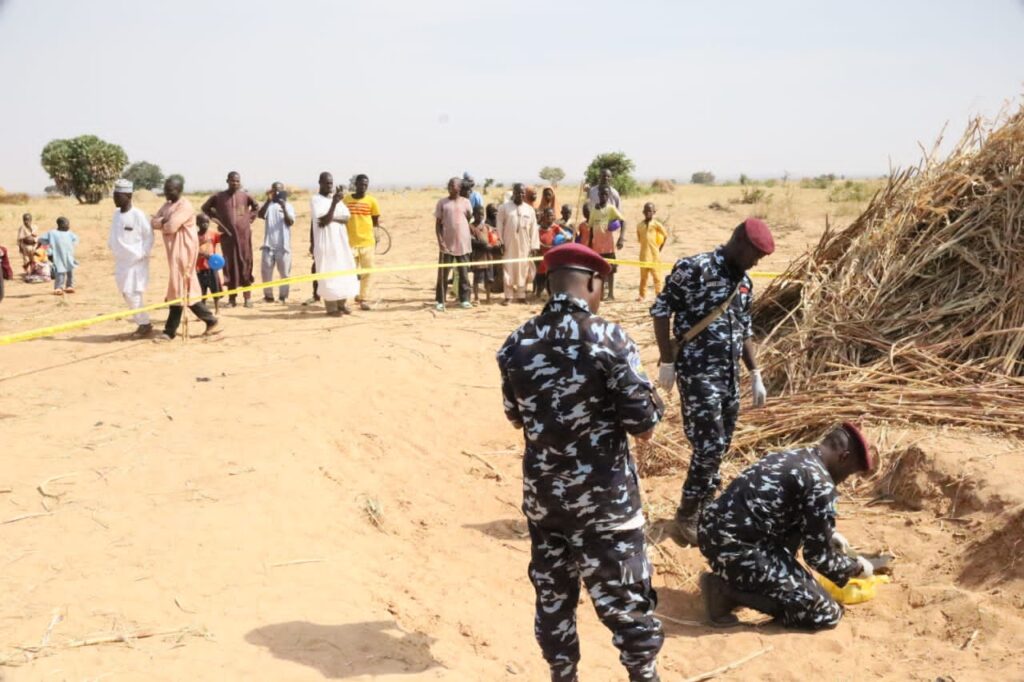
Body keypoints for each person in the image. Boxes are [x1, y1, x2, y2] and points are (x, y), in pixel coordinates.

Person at [497, 243, 665, 682]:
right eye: (600, 289)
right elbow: (642, 424)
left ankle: (562, 674)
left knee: (554, 600)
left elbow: (516, 419)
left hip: (545, 504)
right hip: (605, 507)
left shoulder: (515, 344)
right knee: (628, 604)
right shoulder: (610, 339)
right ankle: (643, 675)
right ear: (593, 283)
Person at [650, 218, 774, 545]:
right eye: (755, 255)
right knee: (709, 446)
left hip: (729, 376)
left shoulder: (744, 283)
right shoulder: (694, 268)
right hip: (697, 372)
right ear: (739, 242)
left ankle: (707, 502)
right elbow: (661, 310)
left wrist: (755, 372)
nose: (756, 262)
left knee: (723, 443)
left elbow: (744, 328)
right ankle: (687, 512)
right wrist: (667, 360)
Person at [698, 423, 884, 629]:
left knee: (793, 554)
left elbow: (787, 514)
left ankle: (749, 582)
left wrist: (828, 536)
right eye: (848, 473)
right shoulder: (821, 483)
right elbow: (818, 557)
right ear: (844, 457)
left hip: (713, 533)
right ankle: (725, 592)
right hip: (737, 547)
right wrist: (856, 567)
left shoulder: (795, 456)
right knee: (825, 613)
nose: (844, 479)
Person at [151, 176, 220, 341]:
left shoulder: (185, 206)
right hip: (173, 252)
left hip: (184, 252)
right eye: (166, 189)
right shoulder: (167, 205)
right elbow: (153, 221)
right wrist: (161, 221)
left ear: (179, 190)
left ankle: (170, 332)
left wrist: (162, 222)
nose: (167, 192)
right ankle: (210, 320)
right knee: (182, 290)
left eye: (171, 190)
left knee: (181, 288)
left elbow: (171, 226)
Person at [201, 171, 259, 308]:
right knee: (230, 266)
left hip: (244, 237)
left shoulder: (245, 196)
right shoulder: (218, 196)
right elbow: (205, 208)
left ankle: (247, 298)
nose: (235, 183)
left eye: (237, 181)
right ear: (227, 181)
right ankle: (232, 299)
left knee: (245, 264)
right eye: (233, 181)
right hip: (228, 238)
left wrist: (248, 218)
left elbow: (256, 207)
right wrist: (216, 218)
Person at [108, 179, 155, 337]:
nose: (115, 198)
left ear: (128, 195)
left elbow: (149, 236)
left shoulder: (138, 215)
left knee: (133, 293)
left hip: (136, 262)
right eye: (114, 195)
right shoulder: (116, 215)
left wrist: (143, 253)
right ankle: (143, 322)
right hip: (121, 262)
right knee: (126, 293)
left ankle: (144, 324)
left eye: (118, 195)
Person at [310, 172, 359, 317]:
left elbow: (346, 218)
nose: (330, 186)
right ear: (320, 183)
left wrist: (333, 213)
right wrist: (334, 204)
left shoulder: (336, 199)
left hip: (341, 242)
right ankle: (331, 308)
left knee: (343, 271)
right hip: (326, 243)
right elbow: (323, 221)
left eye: (331, 183)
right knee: (328, 274)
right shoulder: (316, 199)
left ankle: (342, 304)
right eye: (327, 183)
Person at [434, 177, 473, 311]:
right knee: (443, 274)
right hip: (447, 245)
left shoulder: (466, 202)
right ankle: (440, 300)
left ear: (459, 187)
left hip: (463, 244)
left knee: (463, 273)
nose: (450, 187)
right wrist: (441, 242)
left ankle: (465, 300)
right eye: (449, 184)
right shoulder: (442, 203)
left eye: (453, 185)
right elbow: (438, 226)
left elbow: (468, 218)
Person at [343, 174, 382, 310]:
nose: (363, 187)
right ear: (356, 184)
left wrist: (376, 238)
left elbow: (375, 222)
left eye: (366, 184)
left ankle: (363, 298)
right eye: (361, 184)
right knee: (349, 273)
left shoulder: (372, 201)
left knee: (368, 272)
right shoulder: (346, 200)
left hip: (367, 243)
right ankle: (346, 300)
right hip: (350, 243)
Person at [497, 183, 539, 305]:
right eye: (518, 192)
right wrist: (500, 241)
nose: (520, 195)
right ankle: (508, 296)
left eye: (522, 193)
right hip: (508, 243)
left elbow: (534, 229)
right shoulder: (504, 208)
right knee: (508, 268)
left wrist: (534, 246)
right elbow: (499, 226)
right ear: (513, 193)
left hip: (524, 244)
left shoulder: (530, 209)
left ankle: (521, 295)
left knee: (523, 268)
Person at [257, 181, 295, 304]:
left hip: (283, 246)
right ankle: (268, 296)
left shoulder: (289, 206)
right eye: (274, 190)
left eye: (279, 190)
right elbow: (260, 215)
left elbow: (290, 222)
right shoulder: (269, 205)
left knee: (284, 273)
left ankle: (283, 297)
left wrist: (283, 207)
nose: (277, 192)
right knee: (266, 273)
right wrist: (268, 200)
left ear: (283, 191)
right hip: (268, 245)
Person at [587, 185, 626, 300]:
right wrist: (590, 243)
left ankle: (611, 294)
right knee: (599, 271)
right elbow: (591, 227)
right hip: (597, 247)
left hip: (608, 246)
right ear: (598, 195)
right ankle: (601, 294)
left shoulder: (611, 209)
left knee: (610, 270)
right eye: (601, 194)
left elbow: (623, 221)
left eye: (606, 194)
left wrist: (621, 237)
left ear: (608, 196)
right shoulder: (594, 210)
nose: (603, 196)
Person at [534, 208, 569, 298]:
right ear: (544, 216)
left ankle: (551, 293)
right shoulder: (538, 229)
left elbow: (566, 235)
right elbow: (538, 243)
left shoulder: (555, 227)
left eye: (552, 215)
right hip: (541, 256)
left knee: (552, 275)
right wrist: (550, 247)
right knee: (541, 275)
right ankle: (539, 291)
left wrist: (568, 238)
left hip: (553, 256)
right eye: (549, 215)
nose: (551, 217)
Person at [636, 202, 668, 301]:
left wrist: (659, 249)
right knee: (643, 278)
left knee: (657, 278)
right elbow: (639, 239)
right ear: (643, 212)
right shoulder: (639, 225)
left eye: (650, 211)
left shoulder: (656, 224)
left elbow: (665, 236)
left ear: (654, 212)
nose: (648, 213)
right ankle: (642, 296)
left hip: (654, 256)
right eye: (646, 211)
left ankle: (659, 296)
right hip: (644, 255)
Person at [38, 217, 78, 295]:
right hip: (58, 255)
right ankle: (58, 288)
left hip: (69, 255)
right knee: (60, 272)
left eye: (68, 224)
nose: (68, 226)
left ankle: (69, 286)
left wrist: (71, 246)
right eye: (66, 224)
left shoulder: (70, 233)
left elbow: (75, 239)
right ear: (60, 225)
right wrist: (48, 249)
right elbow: (41, 239)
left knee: (70, 271)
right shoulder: (52, 233)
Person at [470, 204, 501, 304]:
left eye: (482, 214)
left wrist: (496, 244)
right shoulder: (471, 227)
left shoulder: (487, 227)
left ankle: (488, 298)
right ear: (473, 214)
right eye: (478, 214)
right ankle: (476, 298)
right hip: (478, 257)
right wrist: (484, 245)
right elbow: (472, 241)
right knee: (477, 279)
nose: (480, 216)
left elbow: (496, 237)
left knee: (489, 279)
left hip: (488, 257)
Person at [196, 215, 223, 300]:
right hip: (199, 267)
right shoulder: (194, 236)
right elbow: (191, 250)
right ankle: (203, 306)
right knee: (202, 291)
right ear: (197, 223)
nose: (205, 225)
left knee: (215, 289)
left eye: (207, 222)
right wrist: (202, 254)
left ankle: (217, 308)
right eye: (202, 222)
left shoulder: (213, 234)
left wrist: (221, 225)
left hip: (212, 266)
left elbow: (226, 237)